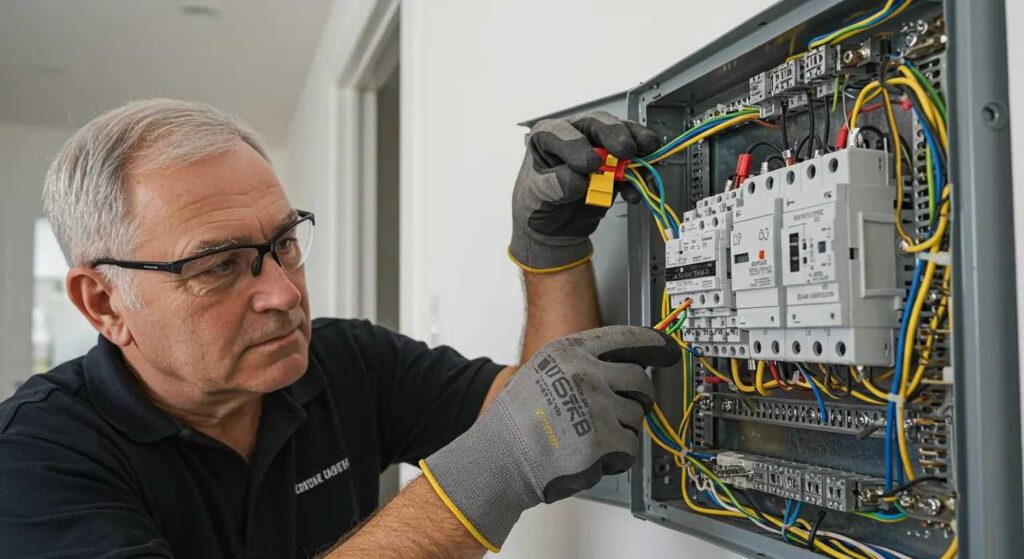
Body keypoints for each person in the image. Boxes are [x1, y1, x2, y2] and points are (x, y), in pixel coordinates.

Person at [0, 99, 678, 557]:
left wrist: (550, 252)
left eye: (284, 243)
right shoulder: (34, 457)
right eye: (219, 265)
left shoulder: (344, 360)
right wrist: (485, 471)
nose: (281, 292)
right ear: (103, 303)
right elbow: (513, 443)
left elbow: (551, 415)